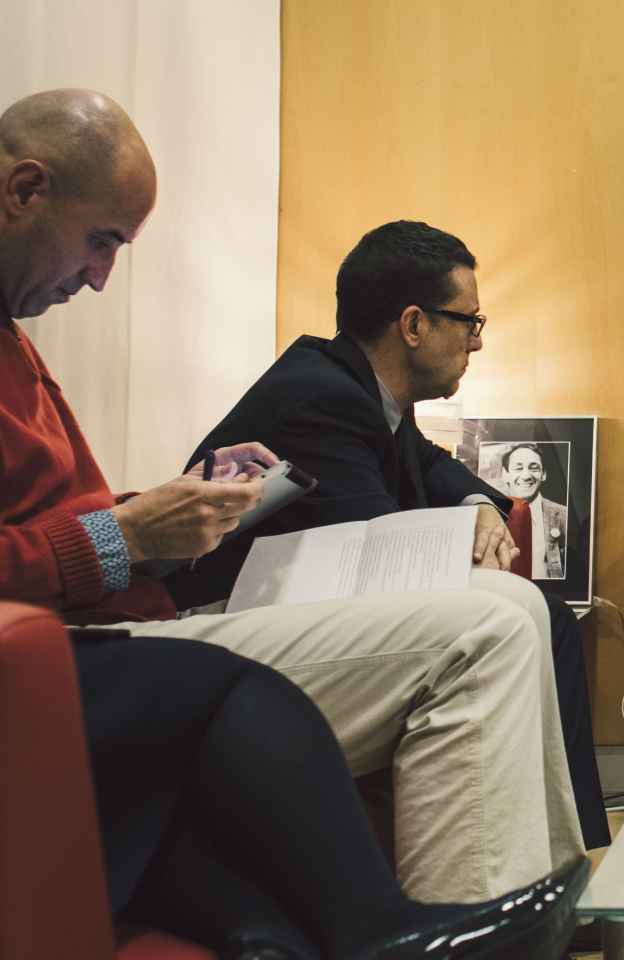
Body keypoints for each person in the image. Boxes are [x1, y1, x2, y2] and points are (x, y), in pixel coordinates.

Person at [0, 89, 583, 903]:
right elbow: (74, 545)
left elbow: (52, 523)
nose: (99, 279)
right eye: (100, 242)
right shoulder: (325, 388)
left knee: (514, 609)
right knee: (489, 620)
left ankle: (553, 902)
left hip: (125, 626)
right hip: (88, 657)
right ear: (25, 190)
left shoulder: (15, 344)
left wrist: (168, 507)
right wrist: (125, 535)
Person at [164, 221, 608, 848]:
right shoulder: (322, 395)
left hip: (298, 603)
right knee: (532, 614)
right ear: (414, 325)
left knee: (539, 613)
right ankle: (577, 854)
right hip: (225, 621)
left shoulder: (362, 389)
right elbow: (383, 547)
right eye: (469, 322)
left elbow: (429, 462)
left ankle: (570, 853)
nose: (477, 343)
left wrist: (481, 505)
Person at [74, 630, 583, 959]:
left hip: (125, 603)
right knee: (487, 633)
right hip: (69, 629)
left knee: (527, 608)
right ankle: (396, 932)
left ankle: (280, 941)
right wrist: (117, 536)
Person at [498, 442, 576, 582]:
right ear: (505, 474)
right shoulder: (493, 514)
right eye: (518, 468)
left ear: (543, 474)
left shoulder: (564, 515)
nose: (526, 476)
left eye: (534, 468)